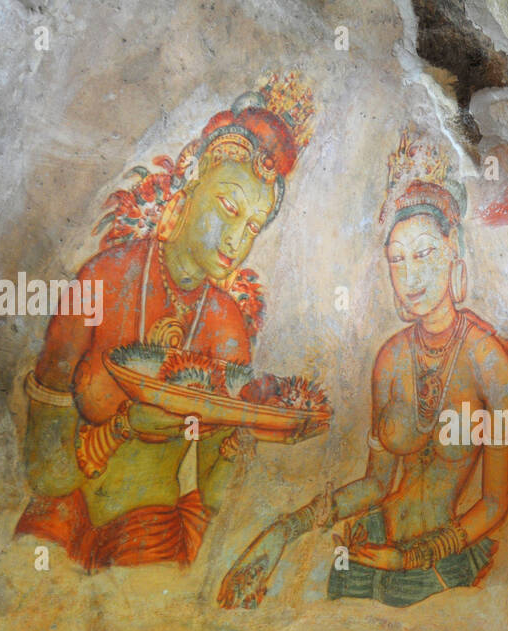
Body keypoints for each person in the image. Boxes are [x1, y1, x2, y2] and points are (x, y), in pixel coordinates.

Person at [16, 72, 318, 569]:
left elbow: (212, 492)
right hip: (59, 511)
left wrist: (248, 432)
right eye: (228, 207)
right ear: (191, 184)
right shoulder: (103, 280)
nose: (237, 239)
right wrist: (121, 428)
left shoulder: (226, 327)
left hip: (148, 530)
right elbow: (45, 472)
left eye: (253, 226)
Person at [218, 128, 508, 609]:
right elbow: (377, 483)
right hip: (371, 545)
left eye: (424, 254)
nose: (410, 275)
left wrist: (416, 557)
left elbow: (496, 504)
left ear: (452, 253)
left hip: (440, 562)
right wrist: (285, 529)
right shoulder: (391, 359)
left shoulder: (489, 362)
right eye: (397, 260)